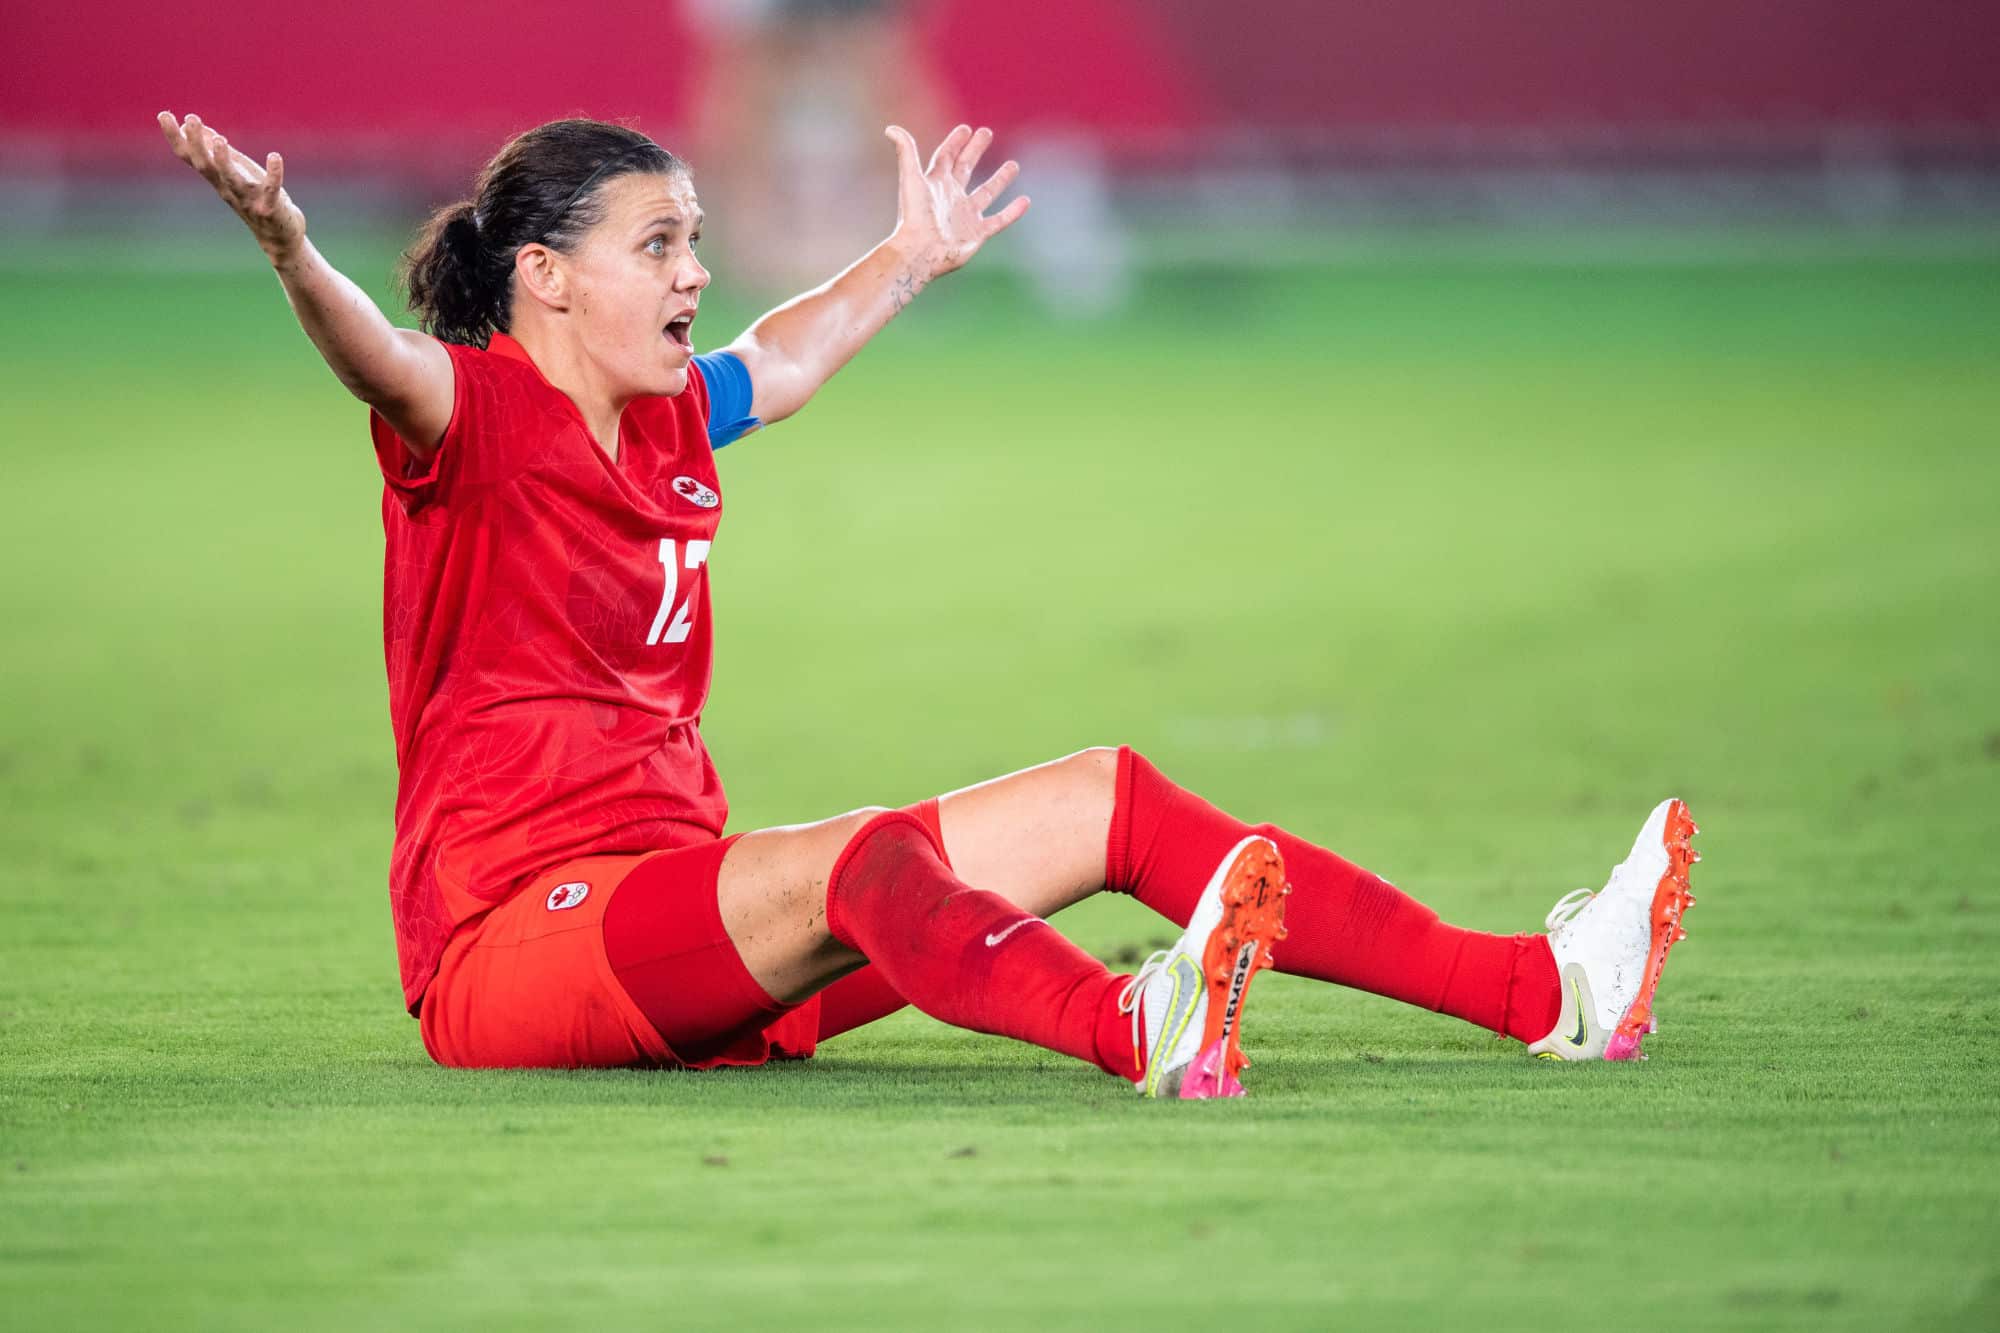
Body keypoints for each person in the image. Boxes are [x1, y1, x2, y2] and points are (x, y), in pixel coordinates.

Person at [155, 109, 1699, 1098]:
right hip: (517, 947)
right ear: (547, 278)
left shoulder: (675, 411)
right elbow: (376, 352)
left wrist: (911, 257)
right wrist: (291, 248)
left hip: (692, 914)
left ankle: (1548, 983)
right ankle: (1135, 1027)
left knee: (1112, 797)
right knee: (859, 860)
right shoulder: (473, 417)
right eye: (660, 241)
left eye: (696, 235)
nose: (695, 266)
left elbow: (792, 354)